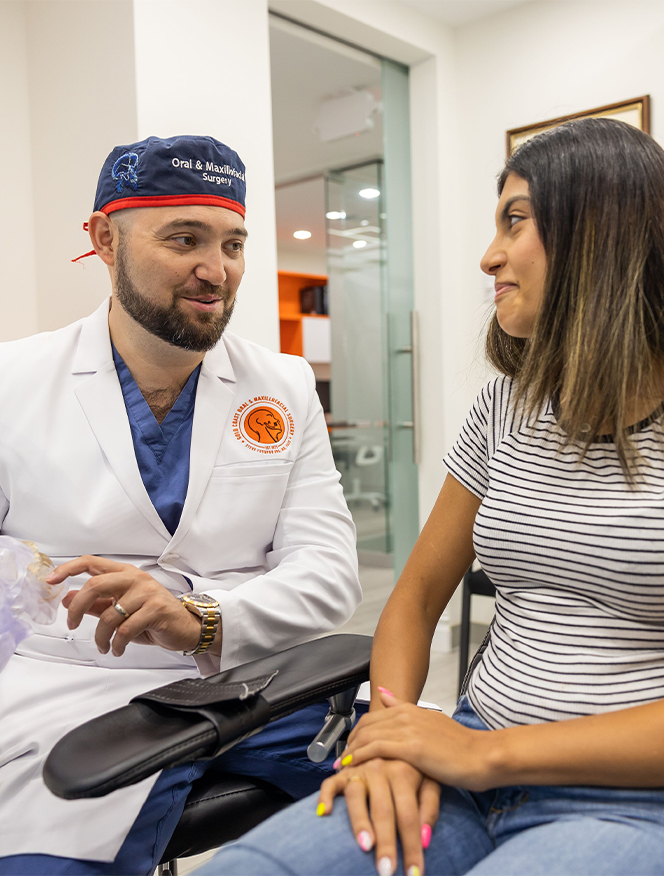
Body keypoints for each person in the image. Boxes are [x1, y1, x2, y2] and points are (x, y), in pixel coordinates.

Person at [198, 117, 664, 876]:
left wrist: (486, 753)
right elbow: (414, 598)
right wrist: (391, 734)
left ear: (601, 233)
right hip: (461, 768)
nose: (489, 255)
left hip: (626, 797)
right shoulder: (504, 409)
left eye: (516, 220)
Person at [0, 135, 361, 874]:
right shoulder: (13, 382)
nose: (215, 270)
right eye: (184, 239)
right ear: (105, 238)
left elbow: (329, 576)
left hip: (256, 685)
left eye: (233, 243)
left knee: (433, 791)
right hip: (72, 691)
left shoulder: (285, 386)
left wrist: (200, 616)